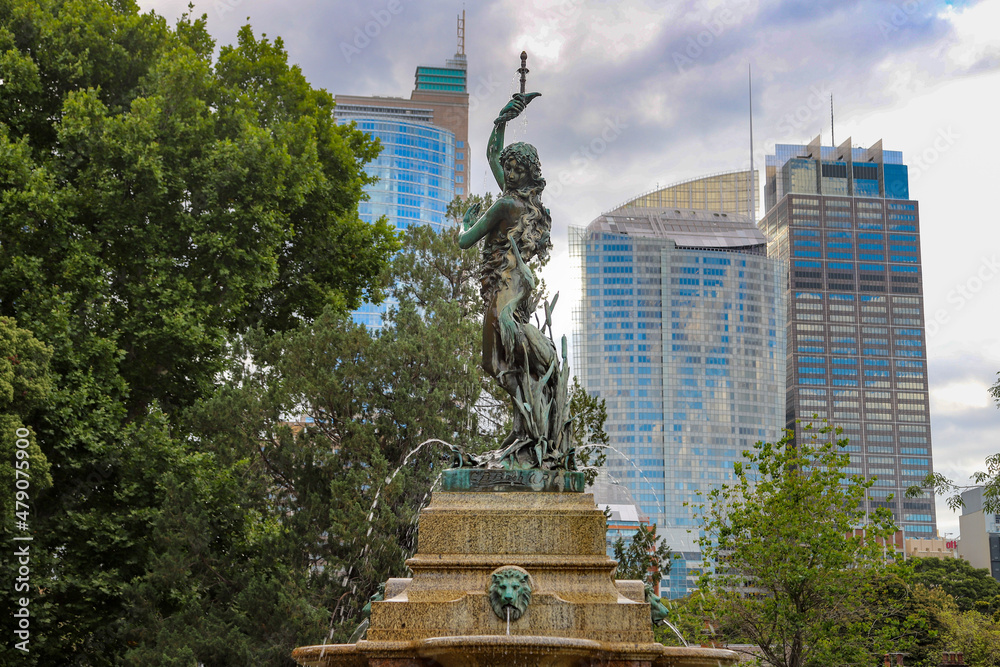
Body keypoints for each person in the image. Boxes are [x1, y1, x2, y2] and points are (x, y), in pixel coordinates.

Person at [459, 93, 565, 468]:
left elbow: (463, 241)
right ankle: (526, 432)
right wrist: (500, 122)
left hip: (504, 287)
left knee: (494, 359)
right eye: (510, 168)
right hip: (516, 289)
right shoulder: (534, 208)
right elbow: (492, 156)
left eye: (515, 169)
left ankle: (528, 433)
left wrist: (466, 218)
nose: (510, 173)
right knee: (496, 362)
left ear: (527, 171)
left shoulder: (506, 206)